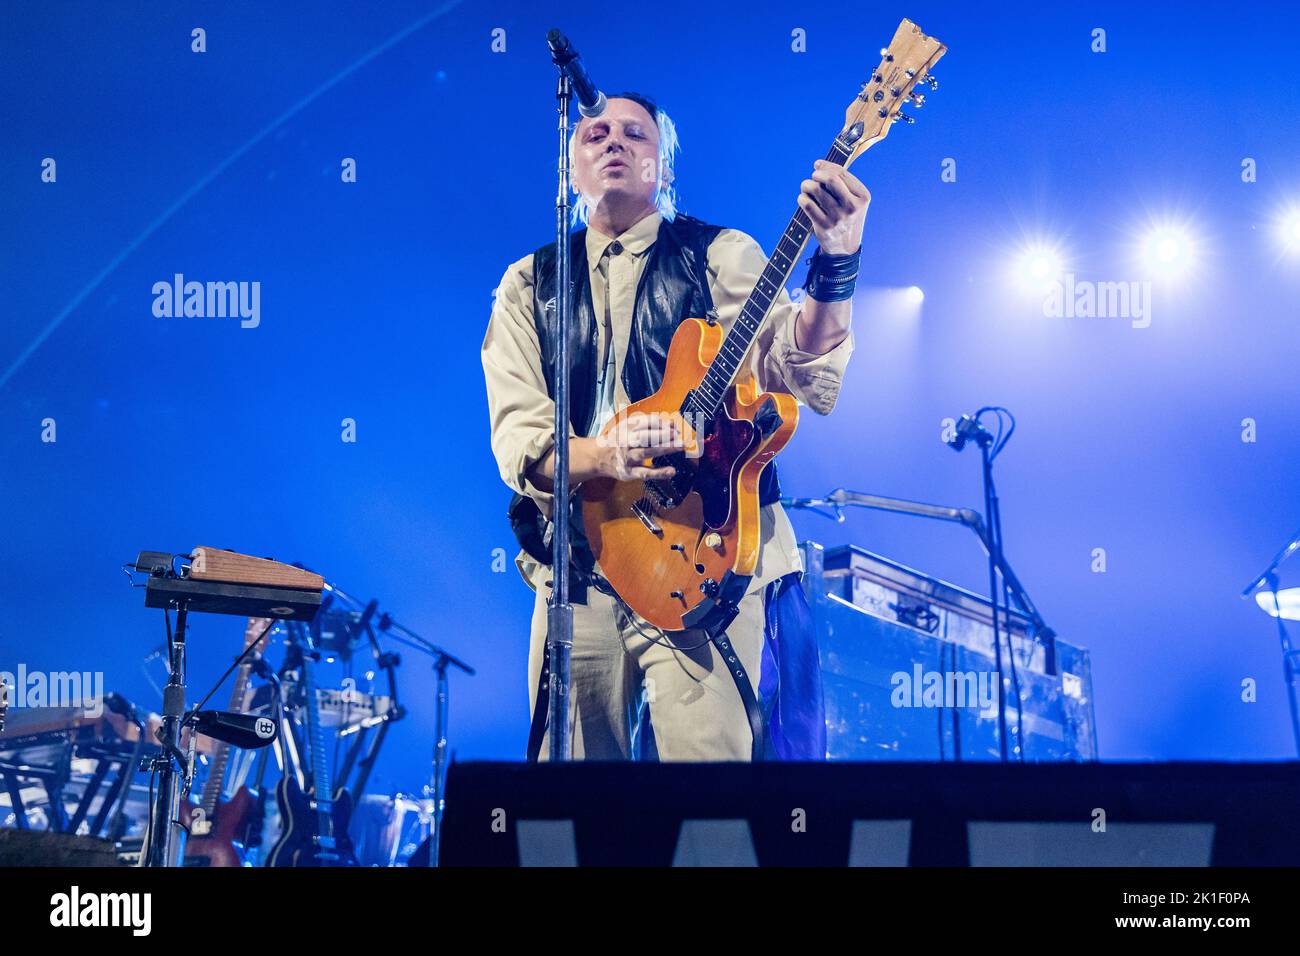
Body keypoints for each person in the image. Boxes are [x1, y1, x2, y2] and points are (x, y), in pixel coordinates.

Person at [481, 91, 867, 761]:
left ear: (664, 166)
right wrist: (607, 455)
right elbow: (520, 441)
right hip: (579, 570)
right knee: (568, 808)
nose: (613, 142)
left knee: (709, 795)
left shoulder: (720, 254)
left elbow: (800, 372)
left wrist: (836, 263)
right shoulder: (527, 284)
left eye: (636, 133)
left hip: (705, 556)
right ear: (570, 165)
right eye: (595, 132)